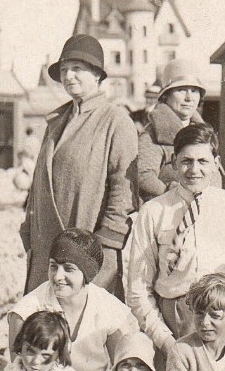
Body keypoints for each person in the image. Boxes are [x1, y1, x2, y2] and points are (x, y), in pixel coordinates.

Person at [126, 123, 225, 364]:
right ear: (174, 162)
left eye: (203, 161)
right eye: (186, 161)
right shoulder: (153, 212)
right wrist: (166, 341)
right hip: (181, 315)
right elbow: (138, 290)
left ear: (216, 164)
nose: (194, 169)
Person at [21, 34, 138, 297]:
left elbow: (124, 191)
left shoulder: (115, 121)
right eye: (64, 70)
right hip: (47, 253)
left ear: (97, 74)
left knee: (85, 329)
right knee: (45, 331)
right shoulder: (56, 122)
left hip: (88, 254)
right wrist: (29, 231)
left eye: (77, 69)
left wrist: (103, 247)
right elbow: (40, 185)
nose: (68, 76)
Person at [8, 228, 139, 371]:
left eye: (68, 269)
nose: (57, 277)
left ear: (87, 273)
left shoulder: (110, 309)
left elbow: (122, 368)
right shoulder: (26, 312)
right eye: (53, 266)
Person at [136, 58, 225, 205]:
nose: (189, 98)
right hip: (172, 214)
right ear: (166, 95)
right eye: (182, 90)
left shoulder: (203, 131)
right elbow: (143, 176)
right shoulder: (154, 134)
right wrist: (174, 193)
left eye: (195, 91)